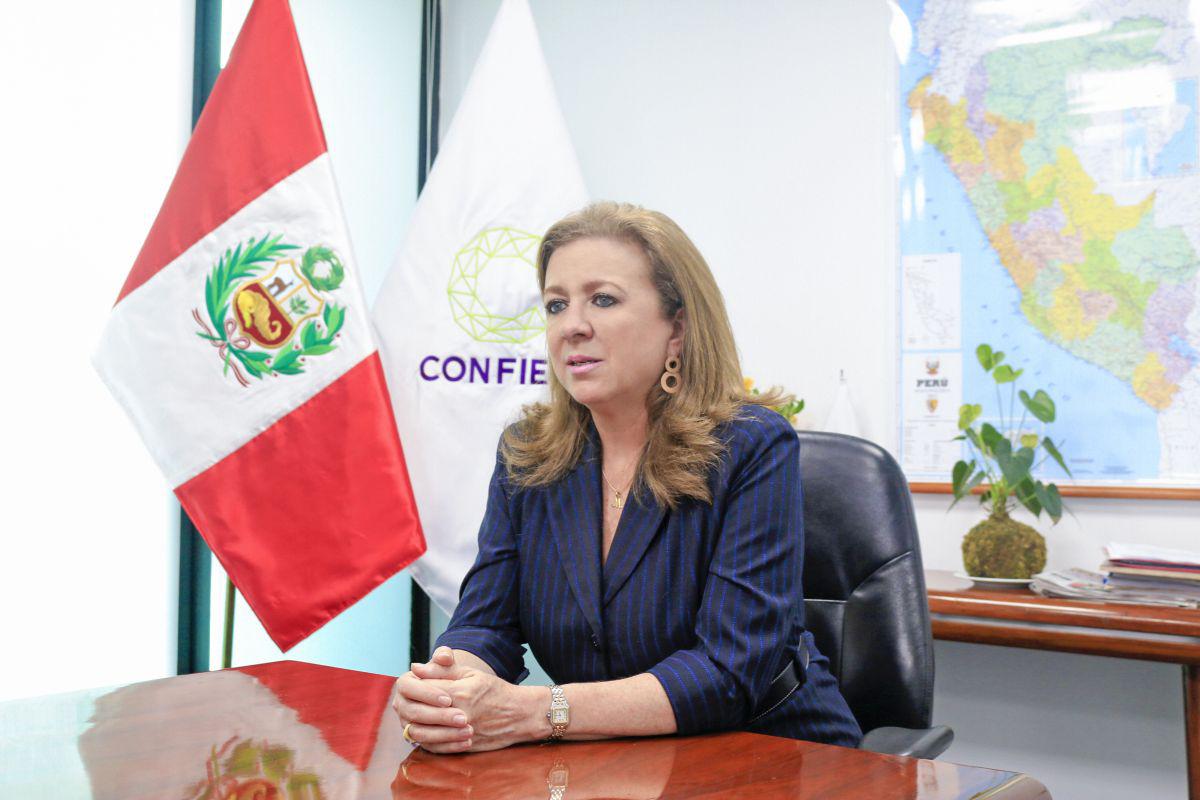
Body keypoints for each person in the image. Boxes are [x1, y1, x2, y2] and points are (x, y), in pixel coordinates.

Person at [392, 202, 862, 753]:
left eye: (604, 299)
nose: (572, 325)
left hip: (773, 754)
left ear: (678, 330)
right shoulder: (527, 455)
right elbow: (484, 623)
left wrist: (541, 711)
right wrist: (449, 688)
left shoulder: (751, 446)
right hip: (609, 760)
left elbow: (730, 670)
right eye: (556, 305)